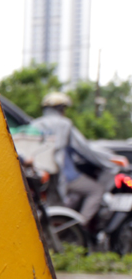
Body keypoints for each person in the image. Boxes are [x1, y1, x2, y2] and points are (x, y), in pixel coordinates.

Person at [30, 91, 117, 227]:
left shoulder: (34, 125)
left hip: (43, 176)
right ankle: (79, 226)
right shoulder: (65, 124)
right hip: (65, 176)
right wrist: (110, 159)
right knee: (97, 190)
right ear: (61, 108)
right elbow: (85, 148)